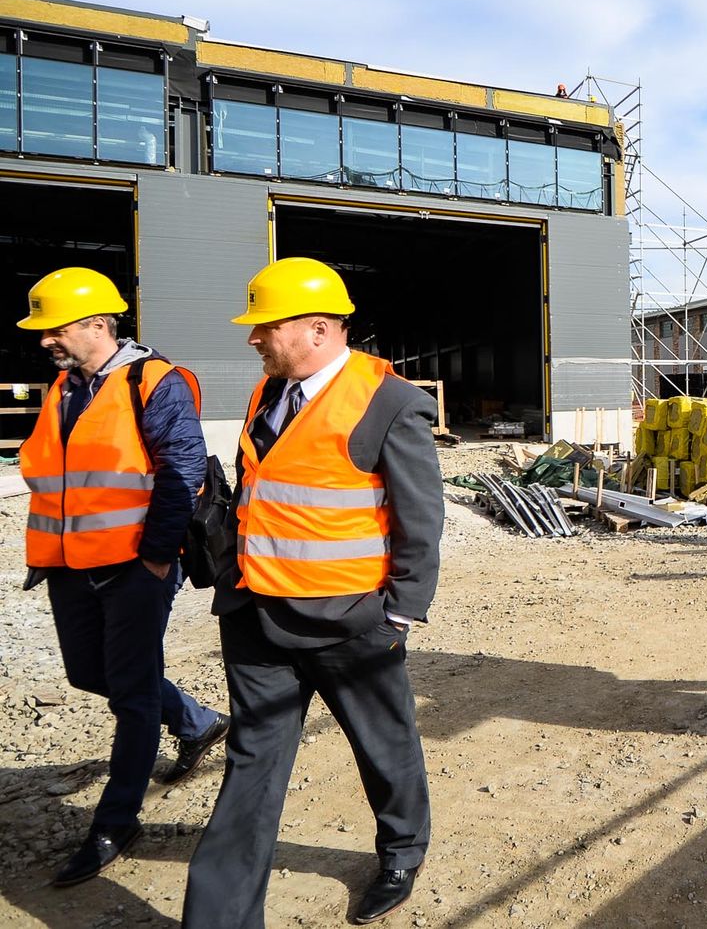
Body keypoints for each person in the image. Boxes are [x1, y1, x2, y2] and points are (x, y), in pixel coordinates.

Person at [184, 258, 442, 927]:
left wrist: (398, 616)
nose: (253, 338)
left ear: (320, 328)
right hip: (254, 612)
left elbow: (420, 518)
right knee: (251, 765)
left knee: (383, 745)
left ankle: (402, 852)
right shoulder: (268, 392)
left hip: (350, 621)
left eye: (265, 326)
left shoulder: (390, 401)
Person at [16, 267, 228, 888]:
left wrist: (158, 557)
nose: (45, 341)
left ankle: (116, 821)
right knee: (88, 673)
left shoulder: (153, 382)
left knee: (132, 693)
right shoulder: (65, 387)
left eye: (54, 329)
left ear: (97, 324)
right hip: (67, 562)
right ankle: (196, 722)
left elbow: (182, 469)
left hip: (135, 565)